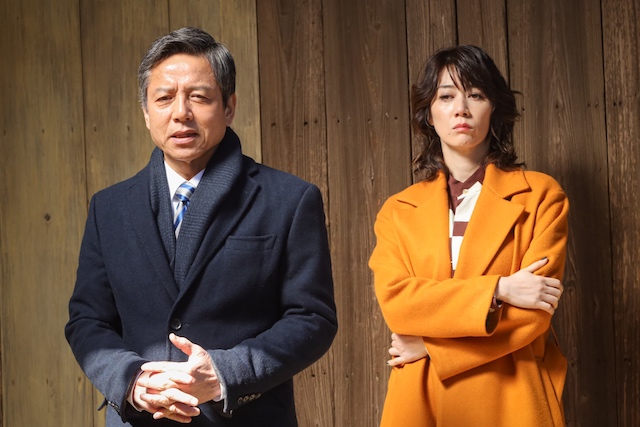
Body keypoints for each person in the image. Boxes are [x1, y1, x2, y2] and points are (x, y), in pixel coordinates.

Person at [65, 27, 337, 427]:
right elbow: (88, 320)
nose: (181, 113)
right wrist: (133, 381)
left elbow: (312, 318)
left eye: (199, 97)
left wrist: (224, 374)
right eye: (164, 98)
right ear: (146, 112)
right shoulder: (109, 207)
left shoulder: (289, 199)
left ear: (229, 107)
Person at [369, 45, 569, 426]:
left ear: (494, 109)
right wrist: (499, 289)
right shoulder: (397, 211)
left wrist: (431, 346)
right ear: (429, 113)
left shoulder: (542, 196)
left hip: (510, 400)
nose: (461, 108)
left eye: (475, 95)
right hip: (420, 401)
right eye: (446, 96)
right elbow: (399, 305)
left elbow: (532, 317)